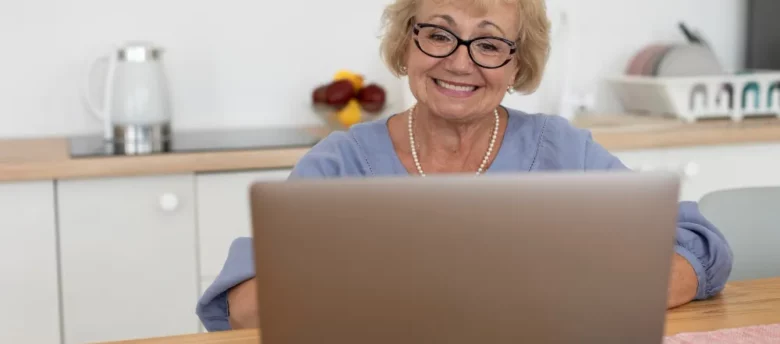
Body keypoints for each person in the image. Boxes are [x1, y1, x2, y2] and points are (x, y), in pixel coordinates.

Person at [196, 0, 733, 331]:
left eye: (490, 43)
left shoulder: (563, 150)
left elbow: (695, 247)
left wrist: (578, 295)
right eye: (438, 33)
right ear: (406, 45)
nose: (459, 61)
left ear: (517, 64)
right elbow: (244, 304)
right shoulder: (339, 162)